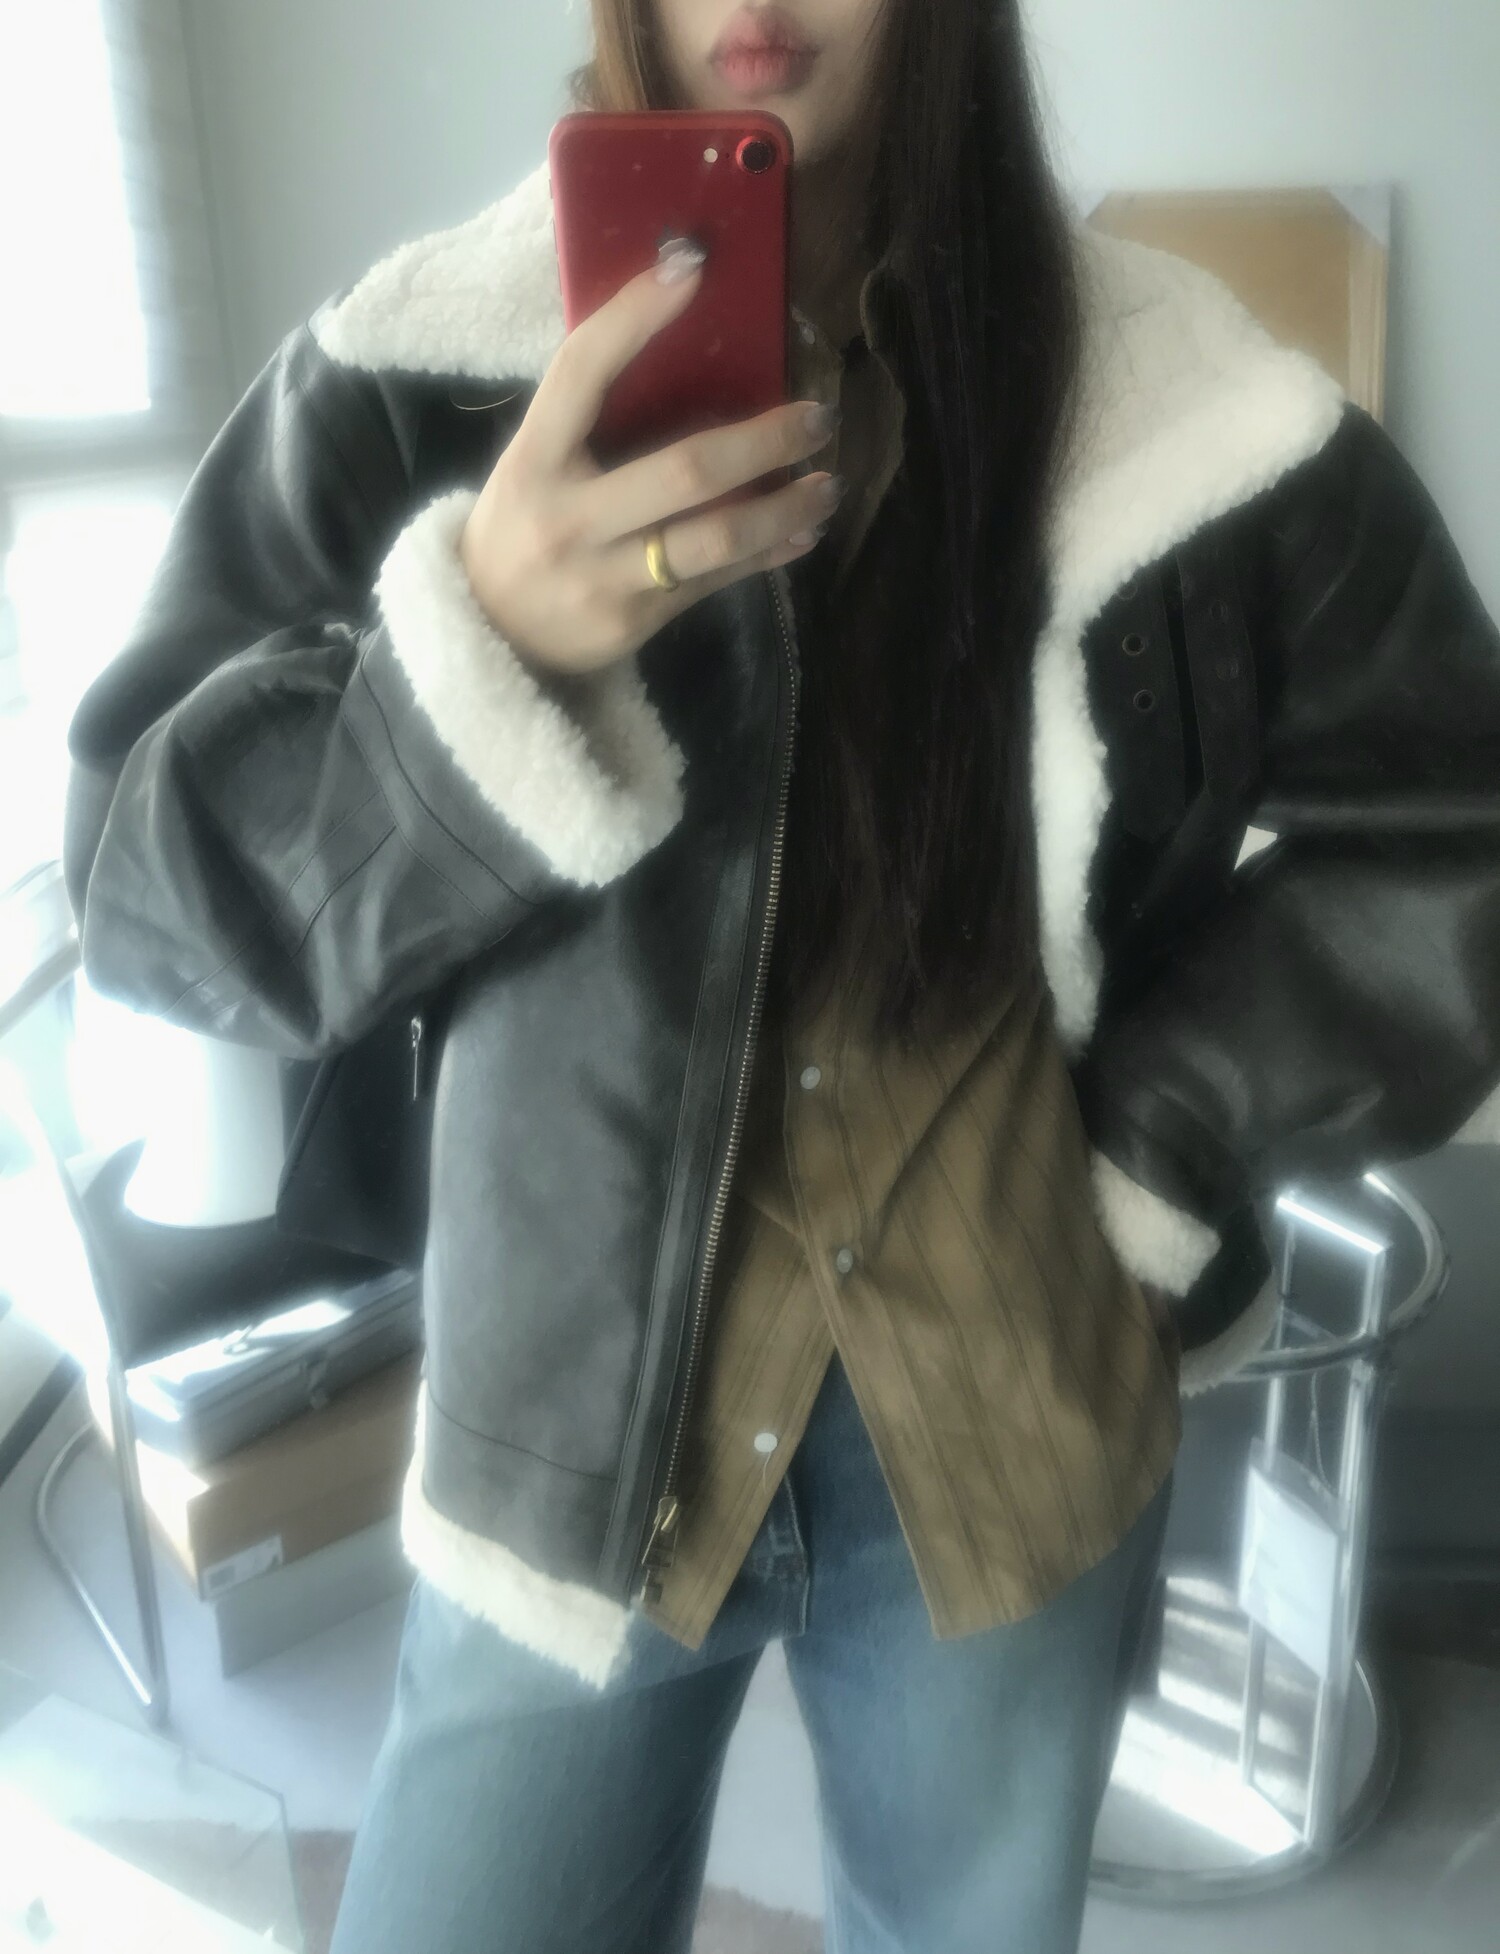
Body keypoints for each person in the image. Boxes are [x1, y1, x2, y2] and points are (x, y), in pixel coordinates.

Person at [62, 2, 1500, 1949]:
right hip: (566, 1424)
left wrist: (1159, 1147)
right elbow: (144, 889)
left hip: (1007, 1395)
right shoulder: (417, 375)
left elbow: (1458, 824)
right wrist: (480, 645)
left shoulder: (1184, 410)